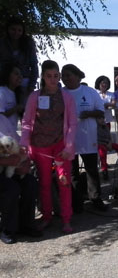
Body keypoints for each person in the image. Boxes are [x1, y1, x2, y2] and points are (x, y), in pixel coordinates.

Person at [20, 60, 78, 233]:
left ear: (59, 76)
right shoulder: (34, 96)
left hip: (60, 146)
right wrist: (24, 143)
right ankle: (47, 216)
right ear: (43, 77)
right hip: (40, 147)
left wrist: (69, 146)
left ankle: (66, 218)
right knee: (44, 183)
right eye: (49, 76)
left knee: (64, 181)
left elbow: (73, 123)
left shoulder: (66, 96)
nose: (53, 80)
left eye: (55, 76)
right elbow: (27, 122)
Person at [61, 64, 107, 212]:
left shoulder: (90, 92)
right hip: (68, 138)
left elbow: (100, 112)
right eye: (63, 75)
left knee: (91, 169)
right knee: (72, 171)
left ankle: (95, 198)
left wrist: (88, 114)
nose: (65, 78)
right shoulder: (60, 93)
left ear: (77, 76)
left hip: (88, 137)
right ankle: (76, 201)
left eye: (68, 75)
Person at [0, 113, 41, 244]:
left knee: (30, 182)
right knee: (11, 188)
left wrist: (25, 161)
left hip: (10, 167)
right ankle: (7, 229)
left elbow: (18, 143)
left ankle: (25, 224)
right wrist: (4, 161)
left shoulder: (3, 119)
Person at [0, 17, 38, 104]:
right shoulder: (2, 43)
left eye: (19, 30)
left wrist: (32, 85)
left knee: (23, 109)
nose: (16, 33)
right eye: (13, 29)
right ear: (8, 29)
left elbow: (34, 64)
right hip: (6, 81)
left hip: (24, 80)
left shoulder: (28, 43)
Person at [94, 75, 116, 180]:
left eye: (106, 83)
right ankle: (103, 166)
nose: (104, 85)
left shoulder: (110, 94)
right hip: (97, 122)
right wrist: (106, 105)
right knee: (99, 145)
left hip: (107, 120)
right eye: (102, 83)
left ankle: (104, 164)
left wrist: (104, 105)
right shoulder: (95, 93)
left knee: (106, 143)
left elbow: (113, 104)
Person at [0, 62, 23, 130]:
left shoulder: (16, 94)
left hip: (11, 135)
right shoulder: (2, 92)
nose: (20, 77)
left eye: (20, 74)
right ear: (7, 75)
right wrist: (15, 108)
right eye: (16, 74)